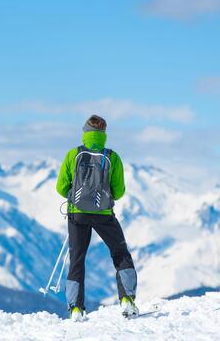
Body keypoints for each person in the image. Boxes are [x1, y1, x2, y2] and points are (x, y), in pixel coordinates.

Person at [56, 114, 138, 321]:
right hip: (104, 214)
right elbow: (119, 192)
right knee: (120, 253)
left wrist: (74, 197)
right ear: (104, 134)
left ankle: (75, 308)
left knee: (77, 259)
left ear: (85, 132)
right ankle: (127, 298)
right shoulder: (112, 156)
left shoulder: (73, 154)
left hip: (77, 214)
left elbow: (60, 187)